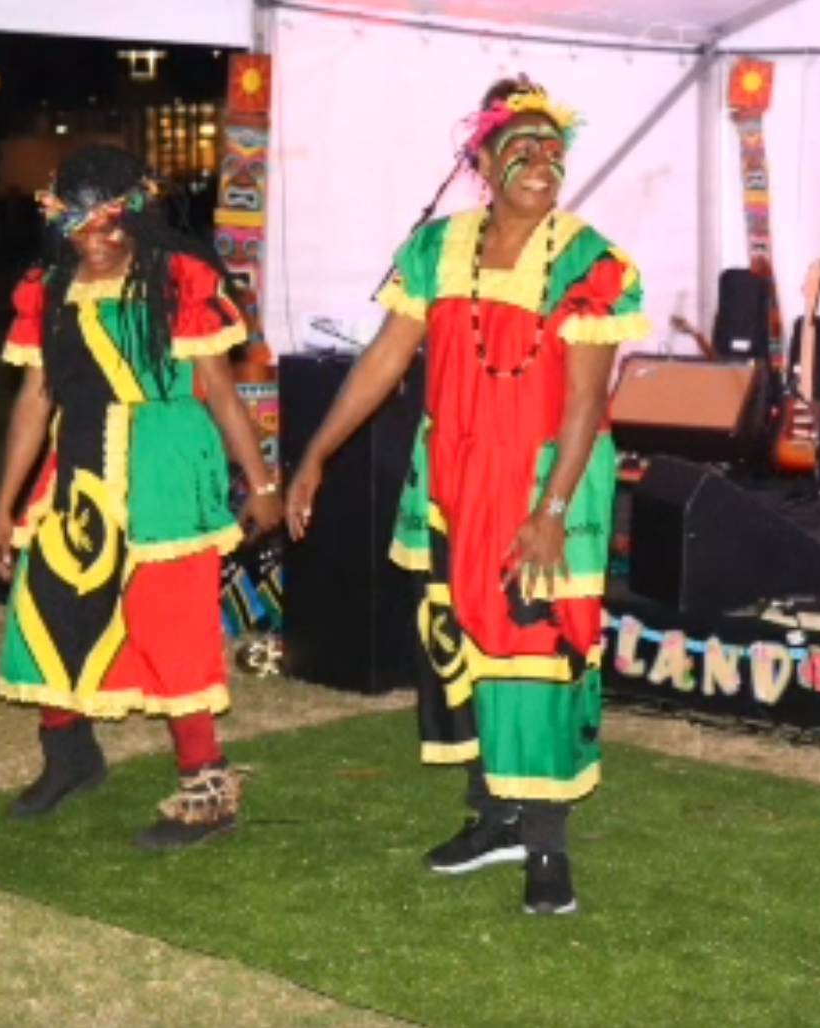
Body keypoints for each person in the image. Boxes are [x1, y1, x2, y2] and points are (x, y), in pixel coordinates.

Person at [285, 76, 646, 914]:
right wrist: (315, 453)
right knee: (465, 645)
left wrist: (551, 512)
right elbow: (383, 359)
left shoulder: (593, 262)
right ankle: (494, 815)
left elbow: (588, 401)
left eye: (554, 152)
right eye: (521, 148)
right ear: (482, 159)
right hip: (451, 478)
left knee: (539, 651)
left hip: (547, 482)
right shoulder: (438, 248)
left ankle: (547, 845)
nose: (540, 163)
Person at [0, 145, 281, 849]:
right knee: (51, 595)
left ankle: (207, 787)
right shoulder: (48, 286)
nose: (98, 237)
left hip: (165, 462)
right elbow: (35, 399)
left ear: (138, 215)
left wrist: (262, 482)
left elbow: (222, 391)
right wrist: (4, 505)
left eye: (112, 221)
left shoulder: (179, 277)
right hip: (79, 462)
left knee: (168, 617)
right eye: (81, 223)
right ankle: (69, 755)